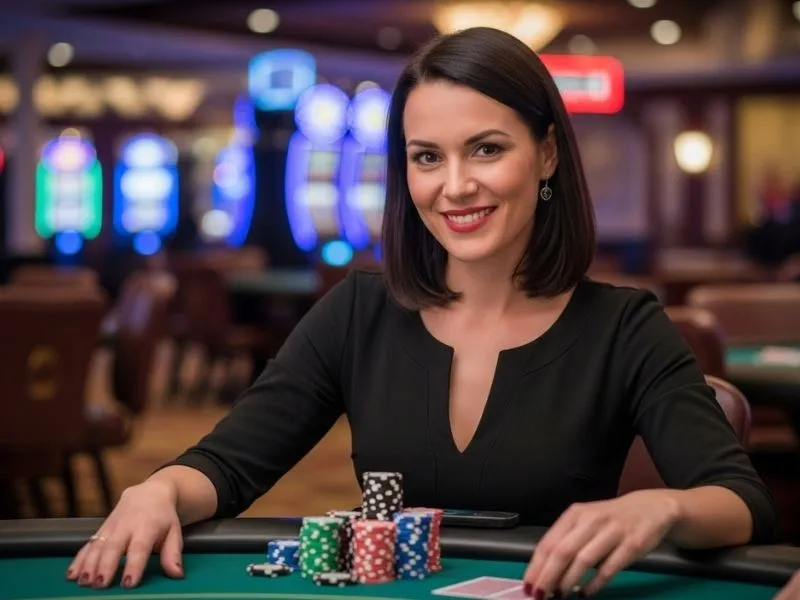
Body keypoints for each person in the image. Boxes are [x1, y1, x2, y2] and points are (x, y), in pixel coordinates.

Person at [66, 26, 776, 599]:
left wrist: (662, 506)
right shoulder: (359, 311)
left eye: (486, 149)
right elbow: (228, 465)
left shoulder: (625, 326)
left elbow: (740, 500)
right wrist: (160, 490)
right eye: (427, 157)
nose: (455, 186)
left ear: (547, 154)